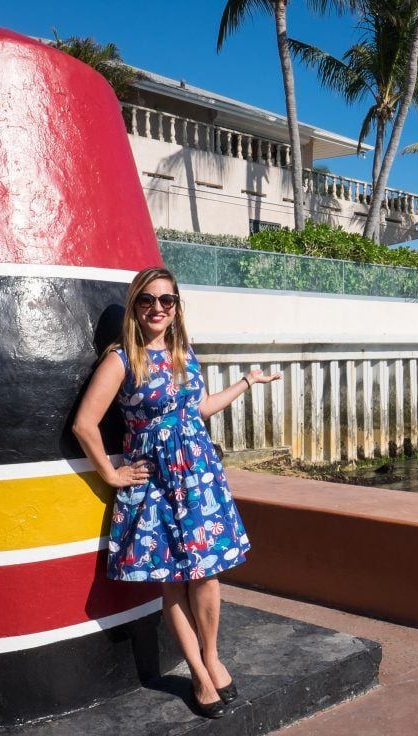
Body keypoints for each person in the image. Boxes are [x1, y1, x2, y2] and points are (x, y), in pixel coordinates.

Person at [72, 267, 281, 719]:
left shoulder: (185, 352)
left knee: (206, 574)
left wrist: (245, 383)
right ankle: (198, 674)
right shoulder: (122, 359)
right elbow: (84, 424)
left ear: (176, 306)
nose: (157, 309)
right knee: (173, 581)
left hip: (199, 479)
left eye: (166, 300)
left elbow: (198, 409)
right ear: (135, 306)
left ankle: (212, 657)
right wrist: (111, 474)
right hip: (158, 486)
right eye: (147, 300)